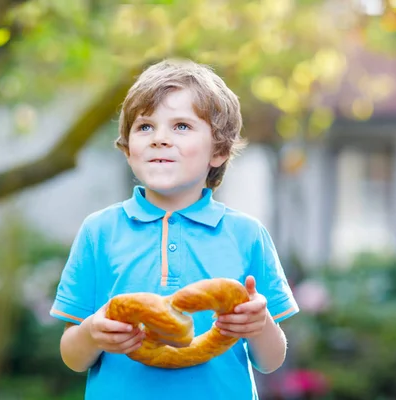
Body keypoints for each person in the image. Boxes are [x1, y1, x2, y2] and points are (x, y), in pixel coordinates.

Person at [49, 59, 299, 400]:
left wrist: (259, 325)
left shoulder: (247, 235)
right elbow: (73, 357)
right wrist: (93, 333)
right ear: (127, 149)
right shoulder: (99, 232)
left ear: (219, 151)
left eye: (181, 126)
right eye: (145, 127)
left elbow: (271, 360)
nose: (160, 139)